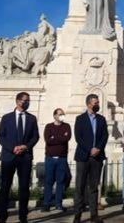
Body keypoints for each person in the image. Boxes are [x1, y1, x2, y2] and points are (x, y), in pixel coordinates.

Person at [0, 92, 40, 223]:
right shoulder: (6, 118)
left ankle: (23, 216)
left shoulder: (32, 118)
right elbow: (0, 136)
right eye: (24, 100)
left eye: (28, 100)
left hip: (25, 157)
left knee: (24, 187)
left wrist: (25, 147)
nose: (26, 102)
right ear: (17, 101)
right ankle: (2, 216)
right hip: (8, 156)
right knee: (5, 187)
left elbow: (35, 136)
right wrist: (12, 148)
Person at [73, 94, 108, 223]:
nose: (97, 104)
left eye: (98, 102)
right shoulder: (80, 119)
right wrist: (90, 149)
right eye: (95, 102)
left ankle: (94, 214)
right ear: (88, 104)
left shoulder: (101, 119)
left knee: (94, 186)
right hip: (83, 156)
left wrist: (97, 148)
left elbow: (105, 136)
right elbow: (78, 137)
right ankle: (78, 214)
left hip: (97, 157)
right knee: (80, 187)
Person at [42, 108, 72, 212]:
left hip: (62, 158)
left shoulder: (67, 126)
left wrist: (55, 137)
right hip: (50, 158)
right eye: (59, 114)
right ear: (54, 116)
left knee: (60, 181)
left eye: (62, 114)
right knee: (49, 181)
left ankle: (58, 203)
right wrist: (60, 138)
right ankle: (46, 204)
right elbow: (48, 140)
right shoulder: (49, 126)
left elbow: (67, 138)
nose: (61, 116)